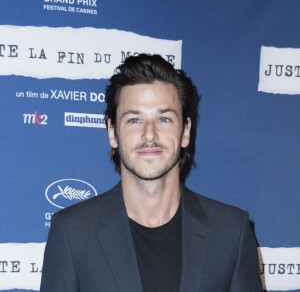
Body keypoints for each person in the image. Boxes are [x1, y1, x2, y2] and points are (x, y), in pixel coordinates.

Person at [40, 54, 262, 291]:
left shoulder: (231, 232)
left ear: (185, 131)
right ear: (112, 132)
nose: (149, 135)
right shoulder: (72, 233)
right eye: (134, 120)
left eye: (164, 119)